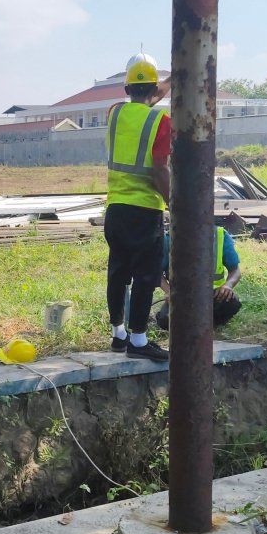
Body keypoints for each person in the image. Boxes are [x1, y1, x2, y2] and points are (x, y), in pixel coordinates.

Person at [104, 53, 171, 361]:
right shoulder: (161, 120)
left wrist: (167, 83)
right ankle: (139, 341)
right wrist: (174, 203)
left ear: (126, 89)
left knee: (118, 271)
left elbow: (145, 99)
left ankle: (119, 335)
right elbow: (159, 168)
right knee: (146, 275)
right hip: (145, 209)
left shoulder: (114, 113)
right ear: (154, 88)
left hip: (115, 208)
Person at [155, 227, 243, 331]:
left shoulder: (220, 235)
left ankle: (209, 323)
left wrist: (228, 285)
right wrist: (169, 292)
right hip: (181, 297)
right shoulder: (168, 239)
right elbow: (157, 273)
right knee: (166, 320)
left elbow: (235, 270)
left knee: (231, 304)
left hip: (213, 296)